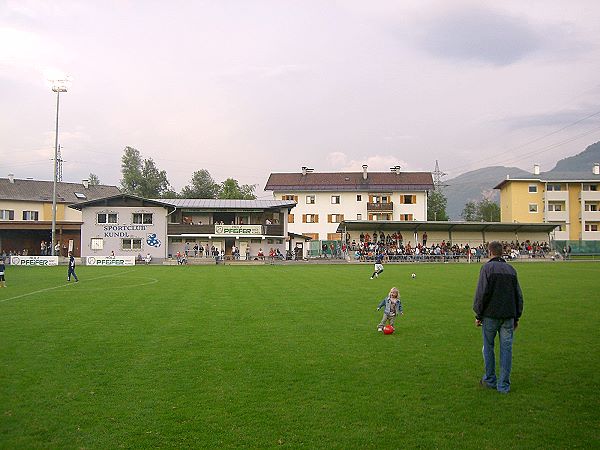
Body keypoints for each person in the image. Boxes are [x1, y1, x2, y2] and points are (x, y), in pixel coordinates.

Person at [473, 241, 523, 394]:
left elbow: (482, 293)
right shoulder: (511, 269)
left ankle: (490, 380)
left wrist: (478, 314)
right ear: (502, 252)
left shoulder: (487, 268)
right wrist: (517, 317)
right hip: (508, 316)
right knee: (506, 350)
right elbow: (518, 295)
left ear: (489, 252)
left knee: (488, 347)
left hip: (490, 316)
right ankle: (504, 385)